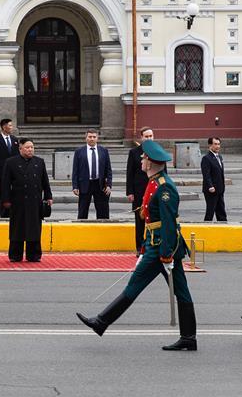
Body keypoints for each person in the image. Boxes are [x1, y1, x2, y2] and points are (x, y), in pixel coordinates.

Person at [77, 141, 197, 351]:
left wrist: (166, 253)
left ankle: (101, 322)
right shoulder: (153, 182)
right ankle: (189, 337)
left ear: (150, 162)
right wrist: (143, 246)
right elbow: (149, 220)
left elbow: (169, 222)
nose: (141, 160)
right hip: (155, 245)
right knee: (181, 291)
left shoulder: (164, 186)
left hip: (162, 248)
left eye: (143, 158)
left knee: (135, 287)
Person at [1, 138, 52, 262]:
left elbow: (45, 181)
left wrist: (48, 196)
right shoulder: (11, 162)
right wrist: (6, 200)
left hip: (35, 201)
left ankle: (34, 255)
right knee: (17, 228)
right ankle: (15, 255)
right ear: (20, 148)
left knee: (34, 228)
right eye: (27, 147)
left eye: (32, 147)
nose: (30, 150)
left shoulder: (39, 162)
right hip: (17, 201)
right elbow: (5, 183)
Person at [71, 129, 112, 219]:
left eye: (94, 137)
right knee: (82, 211)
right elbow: (75, 170)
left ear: (97, 138)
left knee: (103, 212)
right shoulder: (79, 151)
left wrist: (109, 185)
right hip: (85, 184)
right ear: (86, 138)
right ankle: (82, 230)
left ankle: (103, 230)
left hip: (100, 184)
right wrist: (75, 186)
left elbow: (108, 169)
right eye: (90, 137)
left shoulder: (104, 151)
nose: (92, 139)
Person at [125, 127, 153, 252]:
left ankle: (153, 246)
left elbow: (164, 172)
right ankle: (140, 247)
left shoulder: (158, 151)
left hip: (155, 191)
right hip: (139, 192)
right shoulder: (134, 152)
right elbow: (129, 174)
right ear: (141, 138)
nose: (149, 138)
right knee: (140, 221)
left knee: (154, 220)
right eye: (146, 136)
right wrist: (130, 192)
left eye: (151, 136)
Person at [0, 118, 19, 219]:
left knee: (14, 191)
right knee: (4, 191)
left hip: (14, 170)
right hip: (2, 171)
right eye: (10, 125)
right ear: (4, 127)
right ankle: (4, 212)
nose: (11, 127)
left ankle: (14, 211)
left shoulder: (15, 140)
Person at [200, 136, 227, 222]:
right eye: (215, 144)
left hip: (220, 189)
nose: (217, 146)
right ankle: (205, 228)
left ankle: (224, 227)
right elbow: (206, 174)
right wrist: (210, 186)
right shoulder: (206, 158)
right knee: (210, 211)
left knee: (221, 211)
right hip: (211, 190)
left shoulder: (219, 157)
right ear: (210, 145)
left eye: (219, 144)